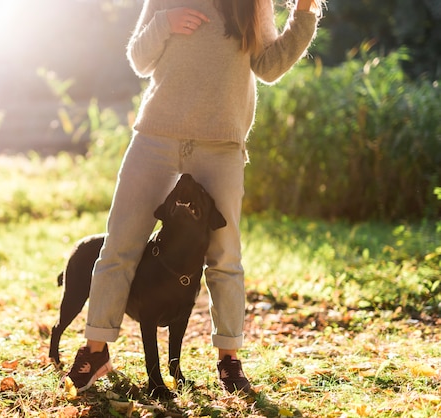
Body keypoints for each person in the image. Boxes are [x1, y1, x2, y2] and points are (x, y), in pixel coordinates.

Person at [66, 0, 323, 394]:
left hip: (221, 145)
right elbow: (139, 58)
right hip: (156, 137)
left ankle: (229, 360)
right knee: (120, 245)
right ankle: (96, 349)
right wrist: (165, 22)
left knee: (225, 257)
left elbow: (269, 67)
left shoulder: (254, 4)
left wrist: (304, 10)